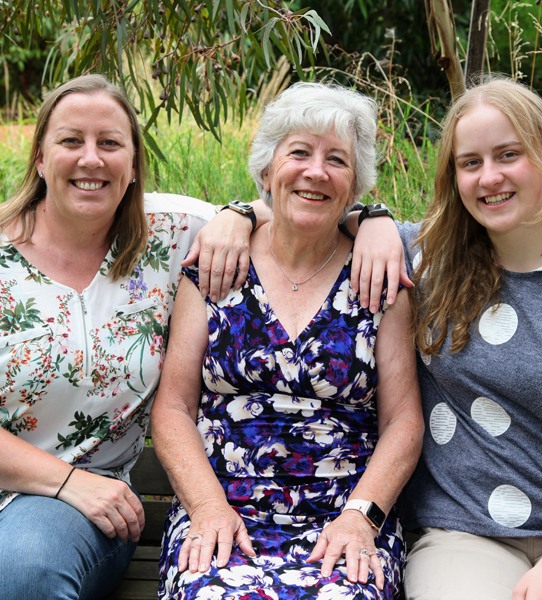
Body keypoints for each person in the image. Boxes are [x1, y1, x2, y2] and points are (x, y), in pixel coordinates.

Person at [151, 82, 424, 600]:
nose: (316, 171)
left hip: (344, 518)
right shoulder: (216, 265)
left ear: (355, 185)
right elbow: (172, 408)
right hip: (221, 509)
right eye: (299, 152)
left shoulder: (378, 277)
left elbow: (403, 420)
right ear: (267, 170)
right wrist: (207, 507)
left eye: (337, 160)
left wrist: (361, 518)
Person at [0, 74, 220, 599]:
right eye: (71, 140)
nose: (91, 159)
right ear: (39, 156)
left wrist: (369, 223)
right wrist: (63, 477)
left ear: (135, 164)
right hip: (65, 487)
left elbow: (298, 210)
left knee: (26, 575)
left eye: (110, 143)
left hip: (70, 512)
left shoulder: (173, 235)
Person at [391, 78, 542, 599]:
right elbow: (310, 213)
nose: (490, 178)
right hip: (465, 536)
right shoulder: (427, 261)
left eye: (509, 155)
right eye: (470, 163)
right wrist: (240, 216)